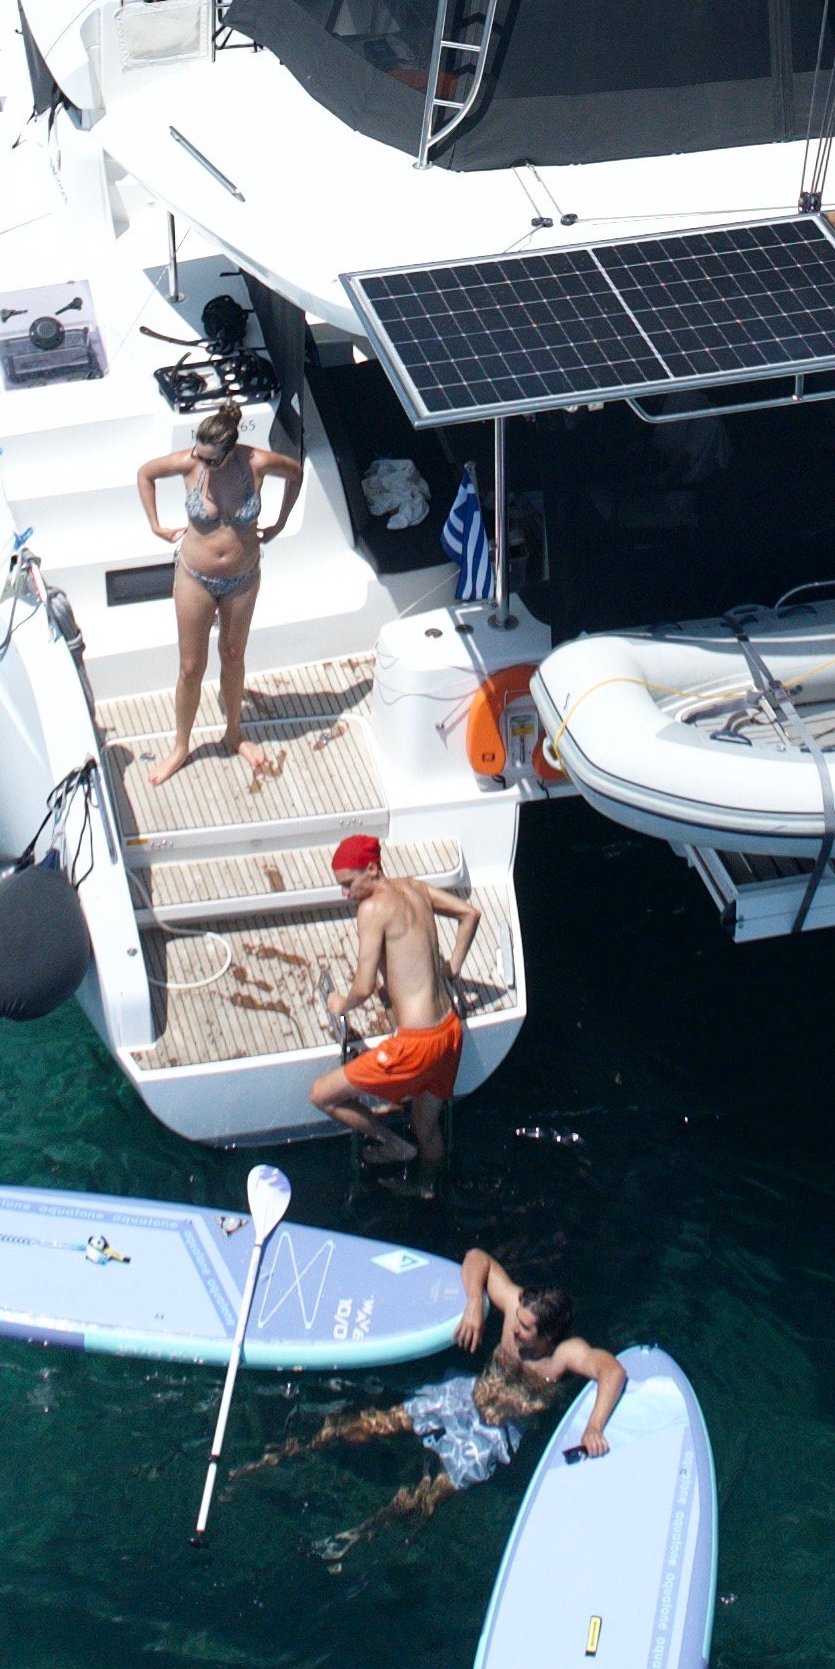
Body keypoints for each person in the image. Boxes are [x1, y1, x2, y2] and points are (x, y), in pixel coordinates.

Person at [260, 1247, 620, 1559]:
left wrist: (594, 1426)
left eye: (525, 1329)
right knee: (367, 1423)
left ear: (548, 1335)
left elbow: (611, 1372)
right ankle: (280, 1456)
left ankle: (357, 1537)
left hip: (494, 1434)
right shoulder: (515, 1307)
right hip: (464, 1395)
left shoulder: (564, 1355)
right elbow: (478, 1258)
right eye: (518, 1320)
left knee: (427, 1496)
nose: (513, 1329)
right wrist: (474, 1306)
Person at [136, 396, 308, 784]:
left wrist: (280, 522)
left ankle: (234, 733)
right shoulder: (189, 462)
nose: (203, 463)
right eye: (200, 454)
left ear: (231, 451)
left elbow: (295, 472)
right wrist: (156, 525)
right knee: (191, 667)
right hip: (195, 576)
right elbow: (145, 474)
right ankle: (181, 746)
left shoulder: (257, 463)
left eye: (212, 459)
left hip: (243, 577)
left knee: (233, 655)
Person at [308, 830, 477, 1184]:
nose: (345, 893)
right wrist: (453, 967)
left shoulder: (373, 908)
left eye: (348, 883)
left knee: (321, 1096)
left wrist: (341, 1003)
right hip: (449, 1032)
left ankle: (393, 1144)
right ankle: (428, 1186)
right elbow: (470, 914)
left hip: (417, 1043)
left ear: (371, 869)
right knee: (424, 1126)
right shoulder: (414, 887)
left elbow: (364, 987)